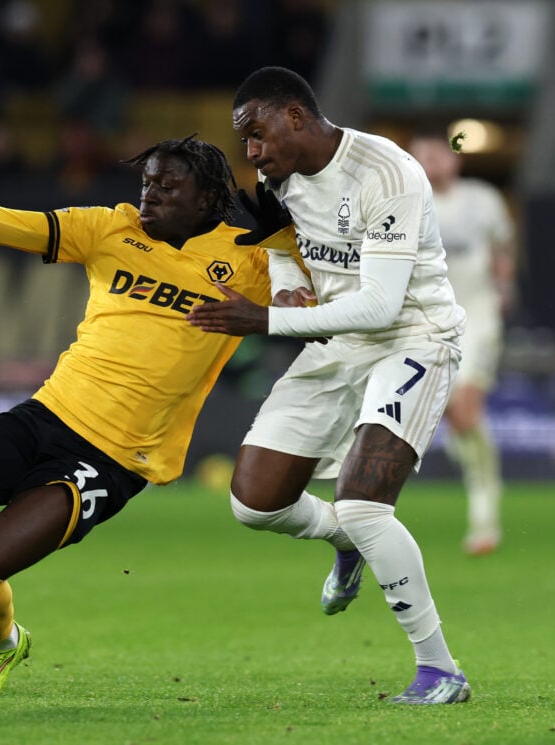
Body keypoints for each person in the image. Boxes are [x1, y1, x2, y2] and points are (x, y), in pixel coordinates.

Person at [0, 135, 270, 696]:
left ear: (206, 199)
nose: (148, 196)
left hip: (114, 460)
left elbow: (330, 293)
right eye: (147, 182)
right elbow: (14, 225)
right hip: (44, 416)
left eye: (166, 186)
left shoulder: (251, 258)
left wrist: (293, 234)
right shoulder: (111, 228)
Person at [186, 66, 471, 705]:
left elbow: (379, 306)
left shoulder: (387, 174)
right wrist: (287, 278)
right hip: (335, 341)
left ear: (295, 115)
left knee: (367, 502)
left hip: (412, 337)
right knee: (254, 503)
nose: (252, 153)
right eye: (245, 142)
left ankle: (440, 671)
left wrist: (267, 318)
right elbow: (283, 241)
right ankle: (347, 541)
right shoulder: (275, 176)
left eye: (256, 134)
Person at [409, 131, 517, 556]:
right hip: (430, 318)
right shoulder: (409, 202)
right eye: (420, 157)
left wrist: (504, 287)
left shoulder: (483, 199)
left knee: (467, 409)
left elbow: (502, 248)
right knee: (456, 417)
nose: (430, 163)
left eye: (436, 154)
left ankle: (485, 509)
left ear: (453, 159)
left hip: (478, 314)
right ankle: (482, 475)